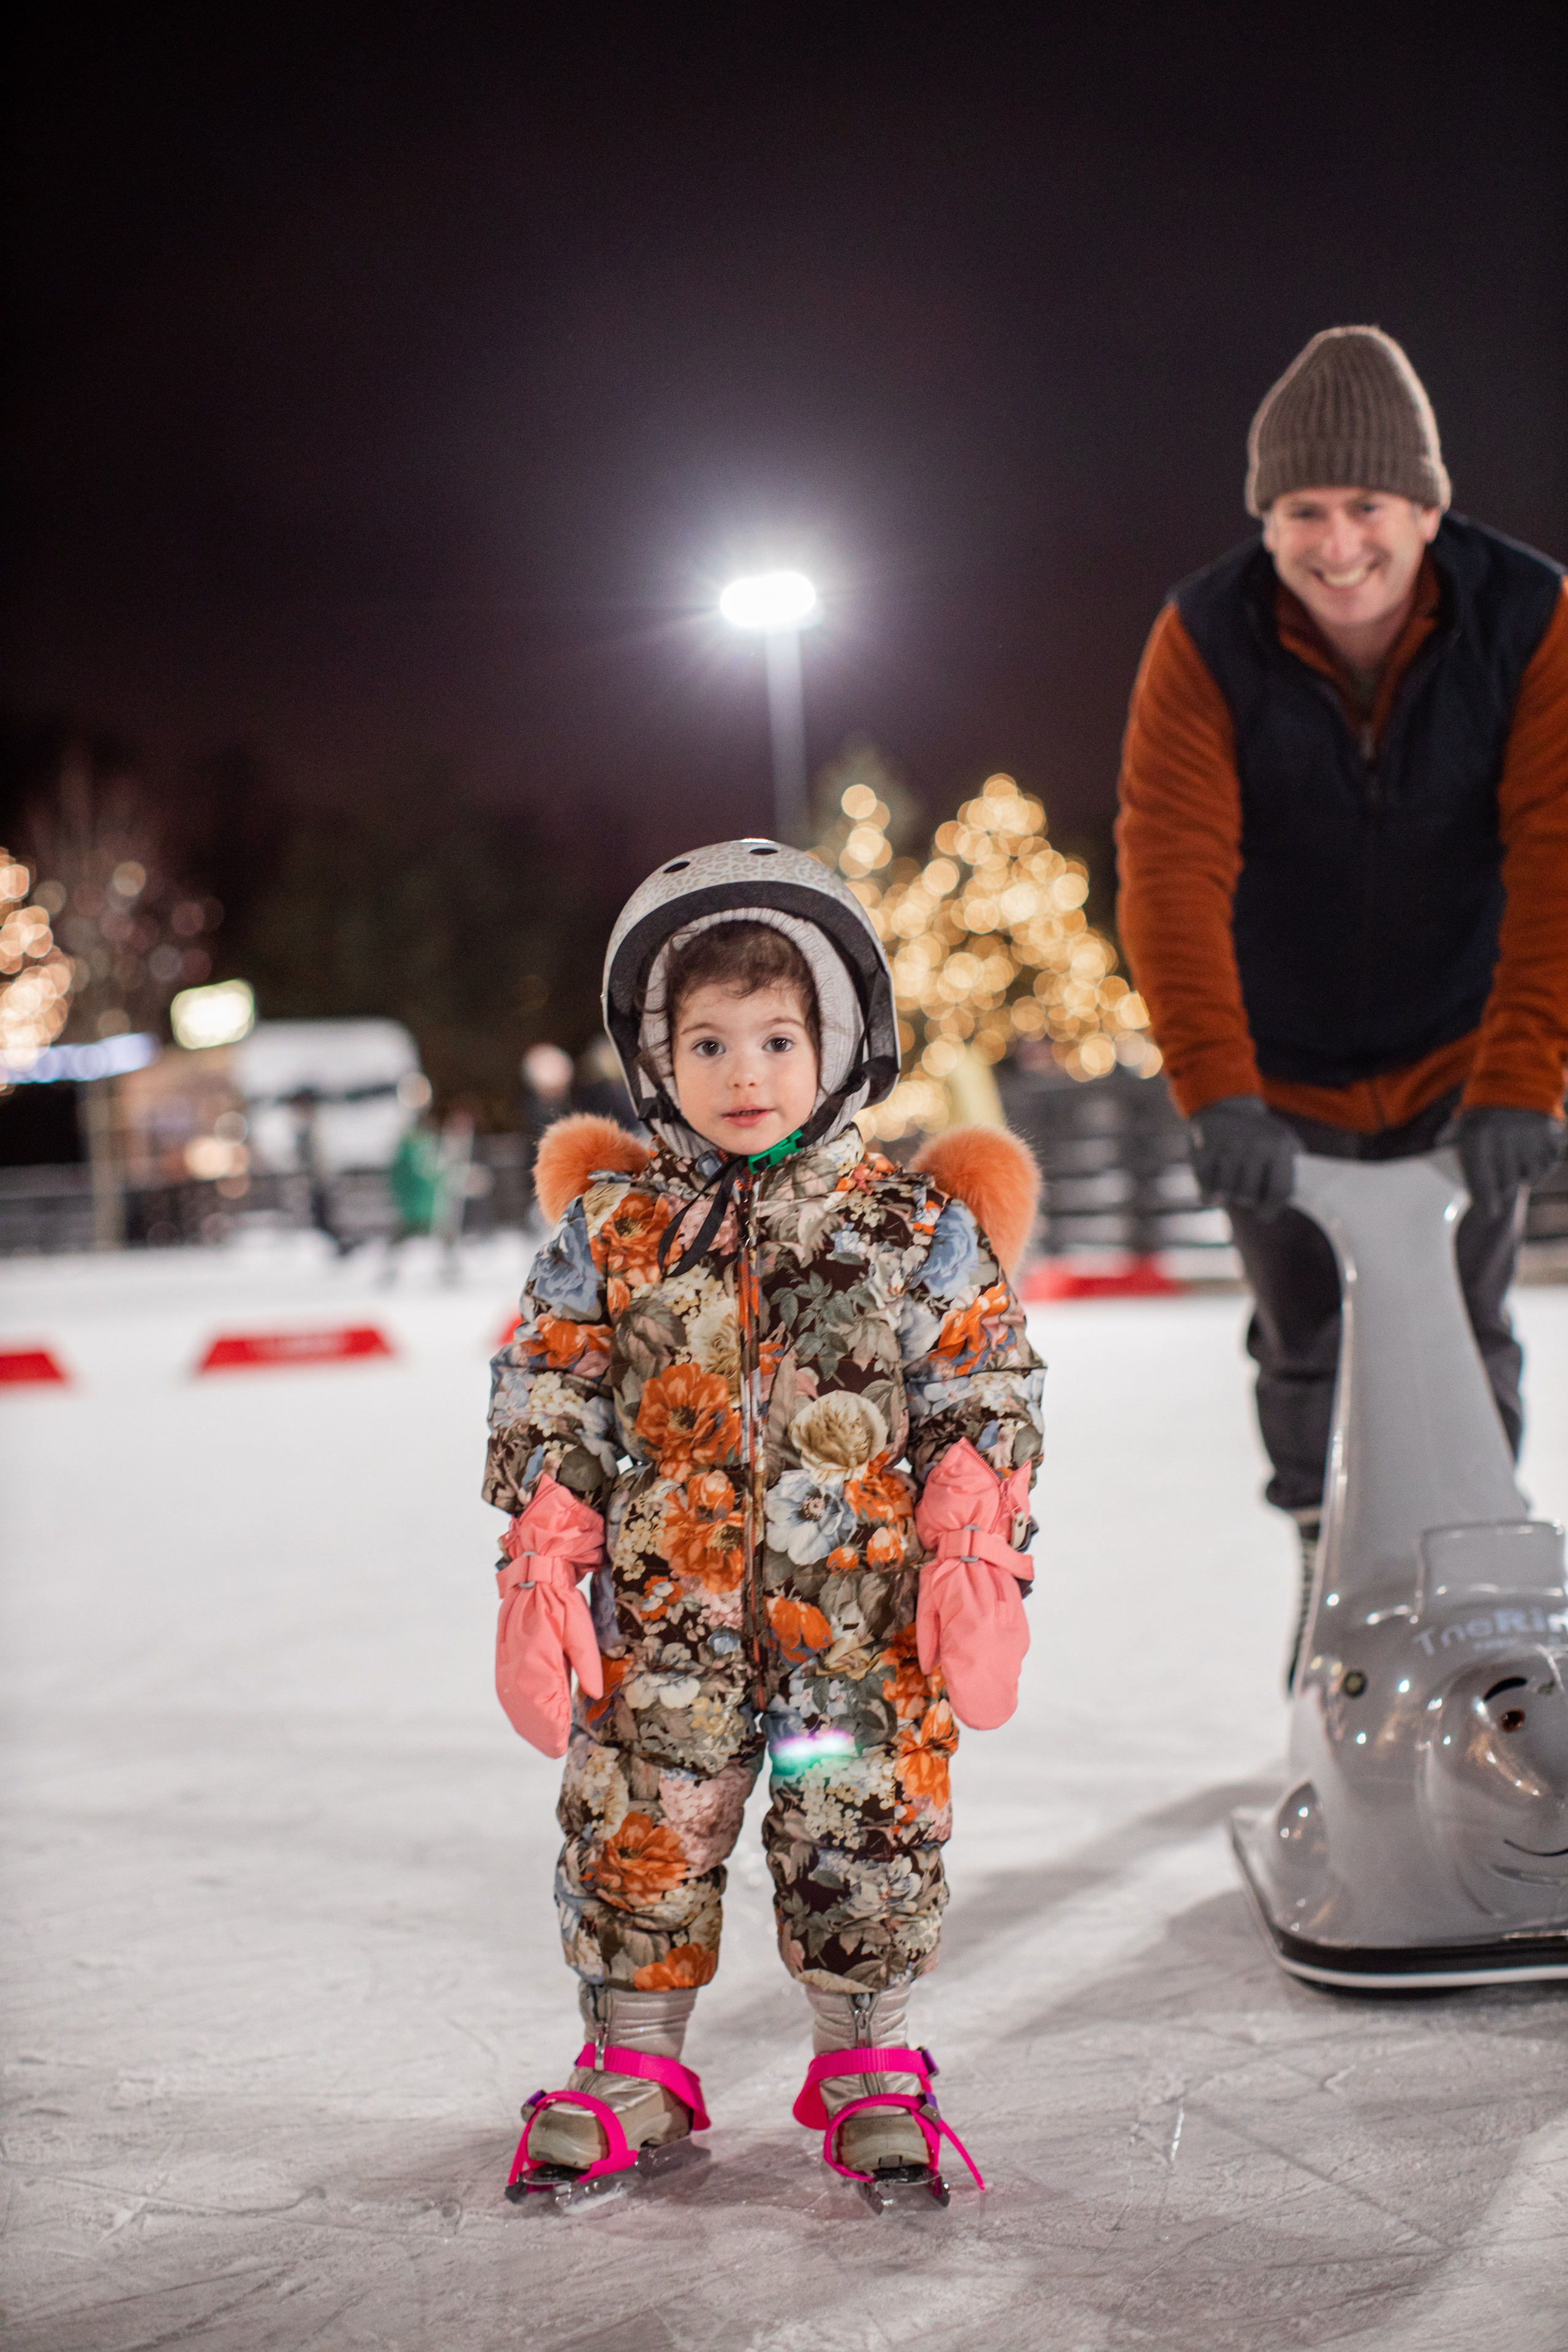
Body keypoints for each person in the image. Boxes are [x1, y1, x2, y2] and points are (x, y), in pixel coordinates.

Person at [483, 840, 1044, 2206]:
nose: (745, 1075)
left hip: (851, 1638)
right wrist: (549, 1534)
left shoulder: (908, 1227)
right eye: (709, 1041)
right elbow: (546, 1374)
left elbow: (981, 1371)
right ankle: (632, 2070)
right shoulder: (614, 1229)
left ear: (839, 1043)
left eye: (778, 1038)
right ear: (655, 1057)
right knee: (640, 1834)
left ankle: (867, 2066)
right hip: (658, 1639)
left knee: (859, 1830)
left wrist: (970, 1521)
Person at [1116, 325, 1568, 1686]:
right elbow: (1167, 863)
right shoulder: (1201, 638)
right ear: (1265, 520)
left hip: (1455, 1055)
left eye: (1363, 507)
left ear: (1424, 508)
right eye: (1299, 511)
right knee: (1303, 1330)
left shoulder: (1529, 617)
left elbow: (1556, 848)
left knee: (1463, 1318)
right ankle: (1324, 1548)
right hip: (1278, 1068)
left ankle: (1476, 1575)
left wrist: (1519, 1078)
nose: (1333, 543)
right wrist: (1217, 1091)